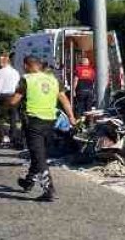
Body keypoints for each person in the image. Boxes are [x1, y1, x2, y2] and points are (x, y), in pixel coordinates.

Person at [10, 56, 76, 202]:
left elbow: (14, 100)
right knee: (39, 153)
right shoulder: (53, 79)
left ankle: (49, 190)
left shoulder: (26, 79)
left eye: (24, 66)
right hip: (50, 122)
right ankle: (28, 182)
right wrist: (71, 117)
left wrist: (7, 103)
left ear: (27, 65)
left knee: (38, 156)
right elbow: (64, 99)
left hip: (33, 122)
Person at [0, 53, 21, 148]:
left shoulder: (2, 71)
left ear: (6, 62)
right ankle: (13, 138)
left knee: (1, 118)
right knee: (13, 118)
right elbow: (18, 84)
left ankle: (0, 138)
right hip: (14, 95)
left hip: (4, 96)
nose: (0, 63)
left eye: (2, 61)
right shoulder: (16, 72)